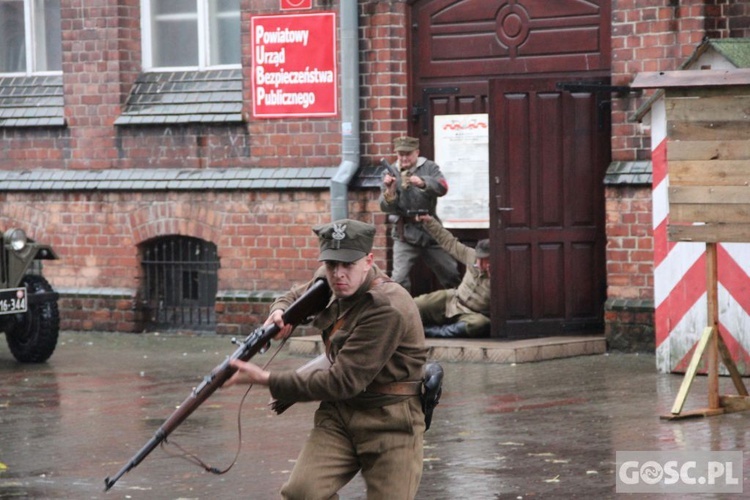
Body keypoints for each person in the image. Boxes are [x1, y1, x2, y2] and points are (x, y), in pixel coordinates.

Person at [224, 219, 428, 499]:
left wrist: (267, 380)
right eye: (332, 264)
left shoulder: (387, 307)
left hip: (390, 420)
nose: (338, 274)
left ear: (368, 261)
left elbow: (343, 381)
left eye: (347, 265)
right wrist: (280, 311)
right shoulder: (331, 277)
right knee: (301, 493)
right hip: (340, 416)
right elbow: (297, 295)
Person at [379, 136, 460, 293]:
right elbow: (385, 207)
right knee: (398, 280)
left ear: (417, 152)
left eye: (408, 154)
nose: (404, 158)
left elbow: (442, 188)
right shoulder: (389, 172)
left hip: (430, 230)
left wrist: (424, 182)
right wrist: (390, 189)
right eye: (400, 154)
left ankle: (461, 310)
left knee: (451, 274)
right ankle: (404, 314)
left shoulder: (429, 167)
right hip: (405, 233)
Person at [414, 215, 491, 338]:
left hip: (472, 314)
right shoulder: (471, 256)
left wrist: (494, 278)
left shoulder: (501, 273)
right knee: (419, 303)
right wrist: (430, 223)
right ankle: (403, 328)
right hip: (453, 299)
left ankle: (433, 332)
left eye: (485, 260)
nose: (480, 263)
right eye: (479, 259)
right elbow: (449, 243)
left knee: (480, 324)